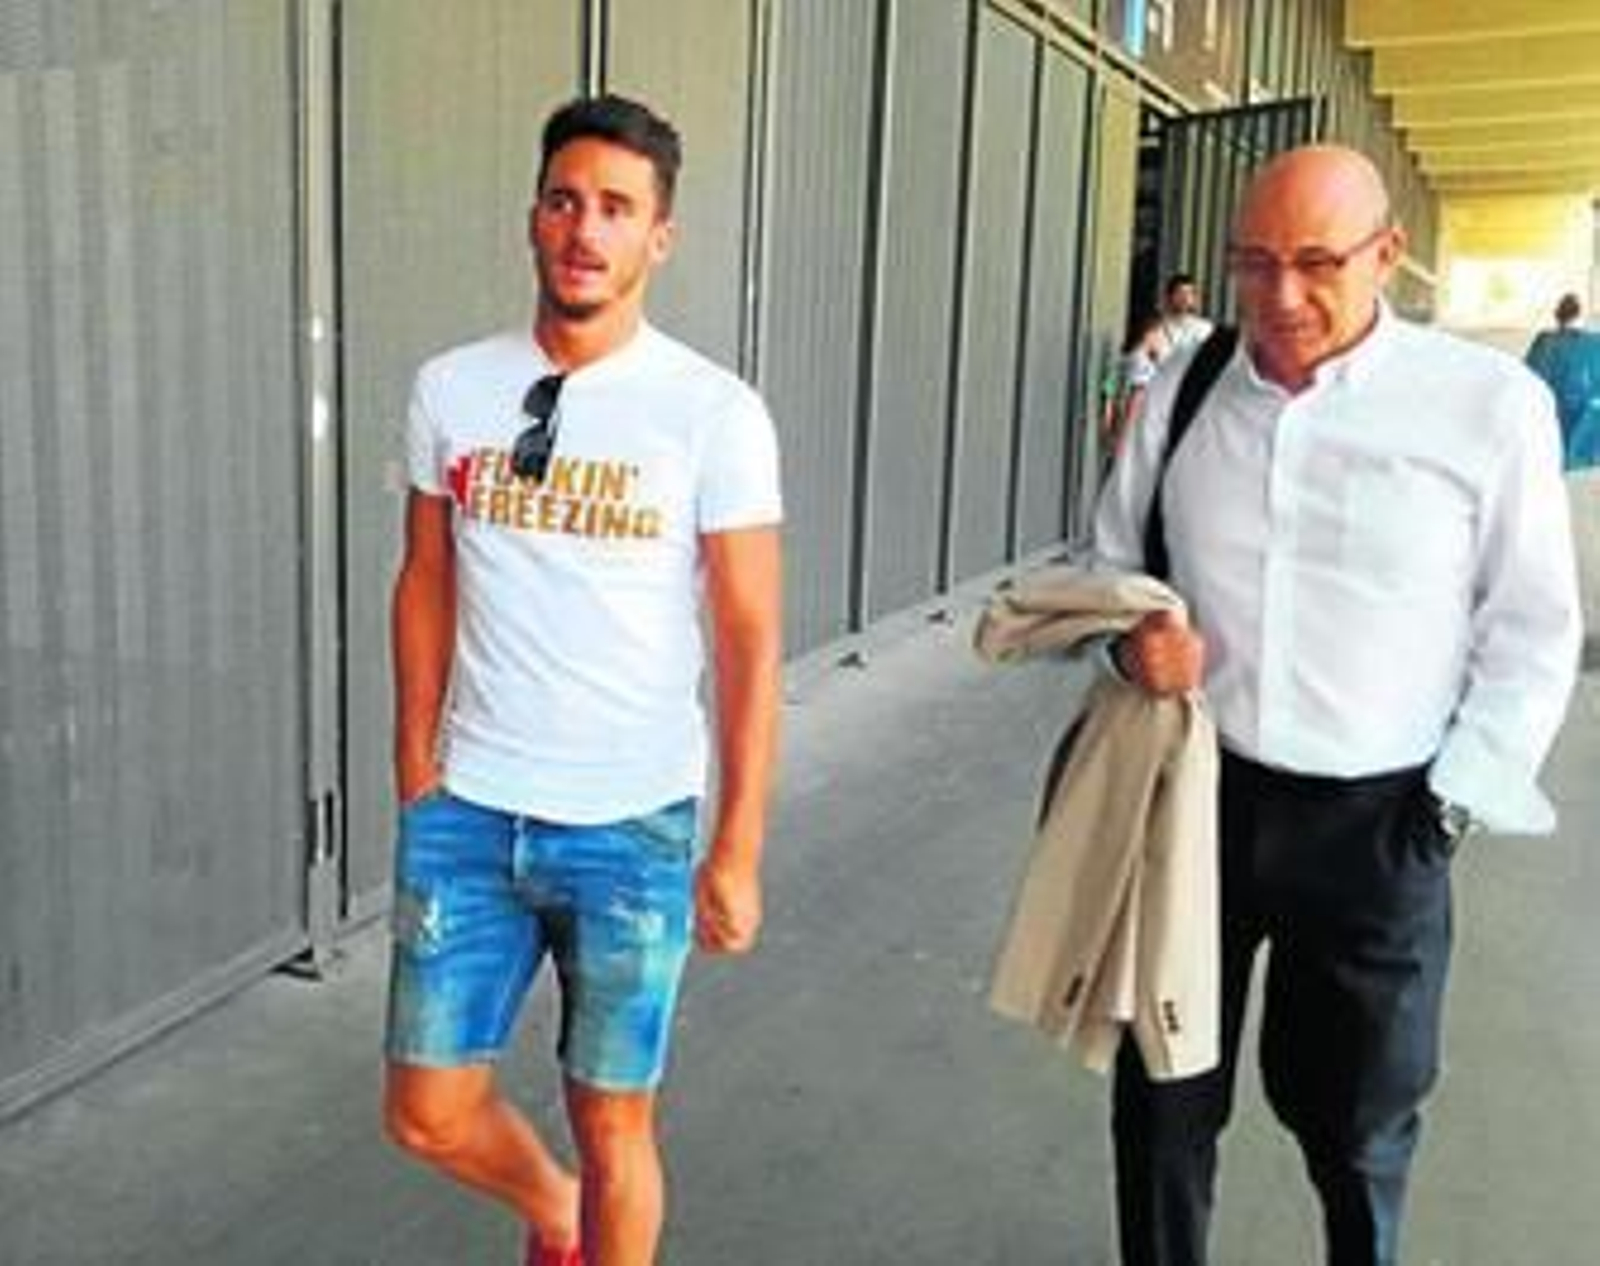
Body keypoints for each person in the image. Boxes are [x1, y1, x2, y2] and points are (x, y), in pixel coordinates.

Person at [1093, 144, 1580, 1266]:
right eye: (1253, 264)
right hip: (1195, 802)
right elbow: (1112, 562)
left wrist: (1444, 811)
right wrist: (1130, 643)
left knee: (1360, 1124)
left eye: (1317, 263)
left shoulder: (1486, 406)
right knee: (1161, 1099)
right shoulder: (1189, 387)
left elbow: (1532, 628)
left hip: (1380, 822)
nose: (1281, 297)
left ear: (1388, 254)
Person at [381, 94, 784, 1266]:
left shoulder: (712, 413)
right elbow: (425, 576)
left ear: (660, 236)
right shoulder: (451, 387)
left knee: (615, 1129)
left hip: (632, 824)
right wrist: (414, 757)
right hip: (468, 808)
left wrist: (737, 845)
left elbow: (749, 635)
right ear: (532, 218)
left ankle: (588, 1217)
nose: (584, 230)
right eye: (564, 201)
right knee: (424, 1110)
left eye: (615, 208)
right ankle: (553, 1211)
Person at [1524, 291, 1600, 469]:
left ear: (1557, 315)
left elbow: (1528, 374)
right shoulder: (1592, 343)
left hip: (1548, 414)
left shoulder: (1543, 341)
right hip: (1582, 415)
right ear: (1580, 316)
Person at [1102, 311, 1167, 458]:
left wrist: (1107, 427)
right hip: (1130, 437)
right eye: (1161, 335)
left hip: (1117, 432)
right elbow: (1135, 400)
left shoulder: (1125, 358)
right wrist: (1124, 442)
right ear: (1149, 334)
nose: (1162, 341)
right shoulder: (1142, 363)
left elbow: (1109, 391)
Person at [1155, 271, 1214, 359]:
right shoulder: (1156, 328)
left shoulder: (1204, 328)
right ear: (1169, 296)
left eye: (1189, 293)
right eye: (1180, 293)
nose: (1185, 298)